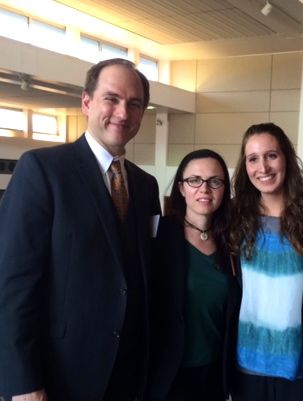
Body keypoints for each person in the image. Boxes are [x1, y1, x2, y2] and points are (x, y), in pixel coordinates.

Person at [0, 58, 161, 401]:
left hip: (127, 375)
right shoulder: (43, 170)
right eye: (112, 98)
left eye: (134, 104)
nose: (123, 112)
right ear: (87, 102)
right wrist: (23, 383)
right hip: (60, 375)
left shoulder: (146, 186)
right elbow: (12, 285)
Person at [226, 123, 303, 401]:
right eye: (253, 159)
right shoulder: (233, 216)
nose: (263, 167)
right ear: (245, 166)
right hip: (246, 364)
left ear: (286, 158)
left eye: (271, 155)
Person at [146, 149, 231, 401]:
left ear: (224, 189)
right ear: (181, 188)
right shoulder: (158, 236)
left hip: (215, 371)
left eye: (214, 181)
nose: (204, 189)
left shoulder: (232, 240)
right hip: (169, 375)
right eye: (194, 180)